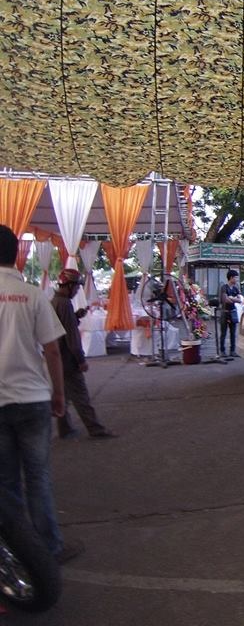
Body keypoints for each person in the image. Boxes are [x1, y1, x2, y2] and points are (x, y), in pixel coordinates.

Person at [0, 224, 83, 563]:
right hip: (32, 399)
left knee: (6, 482)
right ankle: (49, 547)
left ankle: (16, 552)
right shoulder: (33, 295)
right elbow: (52, 350)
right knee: (38, 477)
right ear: (16, 255)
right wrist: (58, 395)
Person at [51, 269, 117, 440]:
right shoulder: (64, 304)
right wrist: (81, 359)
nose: (77, 291)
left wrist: (76, 316)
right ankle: (96, 429)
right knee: (81, 396)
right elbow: (72, 337)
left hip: (58, 359)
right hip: (68, 359)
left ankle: (65, 429)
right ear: (69, 286)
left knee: (64, 395)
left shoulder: (55, 301)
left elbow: (62, 325)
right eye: (76, 287)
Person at [218, 269, 242, 358]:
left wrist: (232, 298)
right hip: (225, 312)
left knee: (233, 333)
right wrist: (233, 299)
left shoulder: (236, 288)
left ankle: (232, 351)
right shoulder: (224, 287)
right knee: (223, 333)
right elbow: (225, 300)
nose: (237, 280)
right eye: (235, 278)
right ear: (231, 278)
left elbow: (240, 300)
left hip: (233, 312)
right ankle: (222, 351)